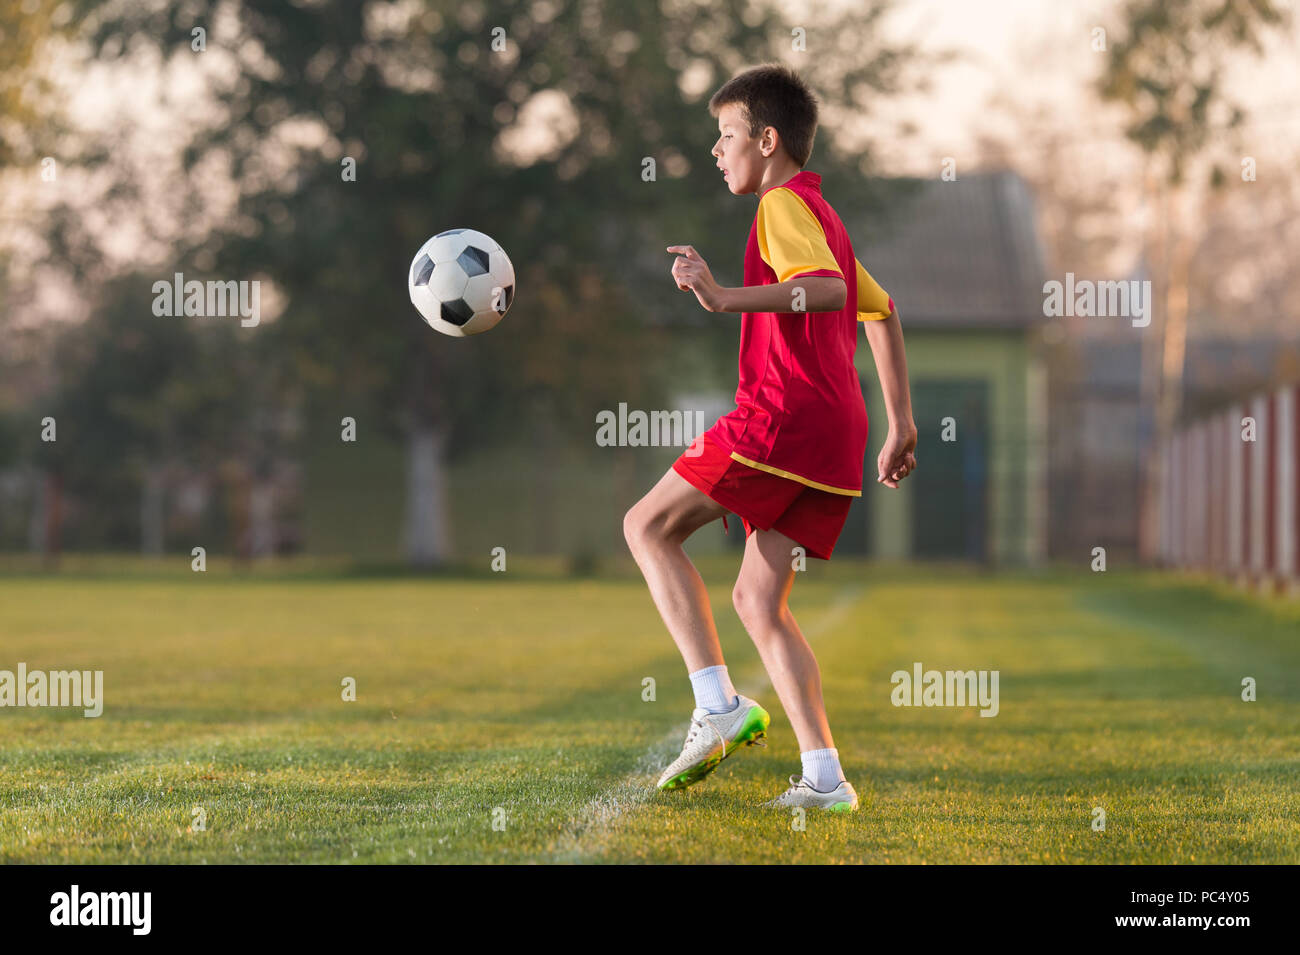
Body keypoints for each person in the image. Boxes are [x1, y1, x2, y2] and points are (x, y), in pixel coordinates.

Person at [622, 63, 918, 811]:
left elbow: (822, 288)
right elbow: (877, 309)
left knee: (646, 526)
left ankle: (717, 704)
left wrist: (721, 297)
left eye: (726, 136)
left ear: (769, 139)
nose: (717, 151)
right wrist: (902, 422)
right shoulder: (825, 216)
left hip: (783, 416)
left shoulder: (783, 209)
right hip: (835, 432)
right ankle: (825, 778)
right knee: (759, 601)